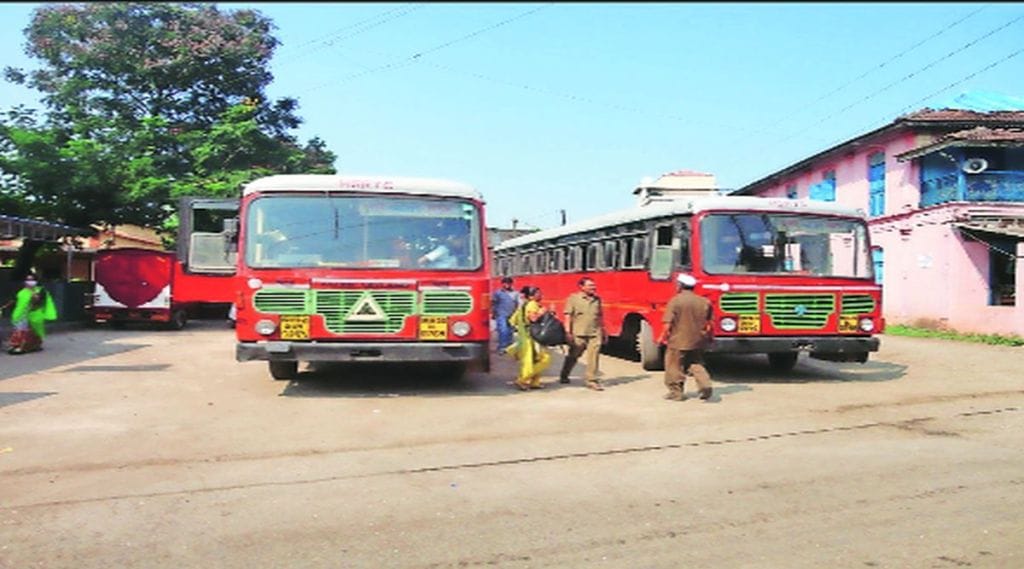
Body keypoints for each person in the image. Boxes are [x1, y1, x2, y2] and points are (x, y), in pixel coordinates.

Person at [658, 273, 714, 401]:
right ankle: (705, 385)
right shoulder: (704, 301)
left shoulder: (676, 301)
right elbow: (709, 324)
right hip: (698, 340)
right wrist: (710, 338)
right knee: (696, 363)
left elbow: (668, 323)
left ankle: (676, 393)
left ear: (680, 286)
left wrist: (661, 337)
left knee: (674, 366)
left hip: (678, 340)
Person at [560, 276, 607, 391]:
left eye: (594, 285)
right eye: (590, 286)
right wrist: (567, 332)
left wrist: (604, 331)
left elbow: (599, 316)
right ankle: (564, 374)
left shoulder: (597, 299)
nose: (593, 287)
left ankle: (591, 380)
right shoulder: (573, 299)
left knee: (594, 357)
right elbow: (568, 316)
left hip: (595, 332)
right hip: (578, 333)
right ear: (582, 287)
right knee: (574, 355)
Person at [506, 285, 551, 390]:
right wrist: (541, 312)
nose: (541, 295)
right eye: (538, 293)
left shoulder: (522, 306)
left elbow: (512, 321)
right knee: (543, 359)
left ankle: (535, 382)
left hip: (523, 338)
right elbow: (533, 318)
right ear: (531, 296)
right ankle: (522, 379)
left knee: (532, 360)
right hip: (530, 339)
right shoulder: (532, 305)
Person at [7, 272, 58, 355]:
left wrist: (34, 296)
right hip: (21, 314)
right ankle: (17, 345)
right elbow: (15, 302)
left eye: (32, 280)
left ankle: (29, 346)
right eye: (28, 280)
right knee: (20, 330)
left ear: (36, 281)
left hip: (35, 314)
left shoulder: (41, 291)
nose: (30, 281)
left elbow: (40, 302)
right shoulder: (21, 292)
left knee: (34, 331)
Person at [491, 276, 520, 352]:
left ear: (511, 284)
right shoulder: (498, 293)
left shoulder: (515, 293)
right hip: (501, 314)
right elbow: (494, 303)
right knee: (503, 330)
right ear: (502, 284)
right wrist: (493, 312)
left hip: (511, 315)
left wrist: (517, 314)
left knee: (510, 331)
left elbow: (518, 304)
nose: (507, 285)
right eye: (505, 283)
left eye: (509, 283)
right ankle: (502, 347)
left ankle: (509, 346)